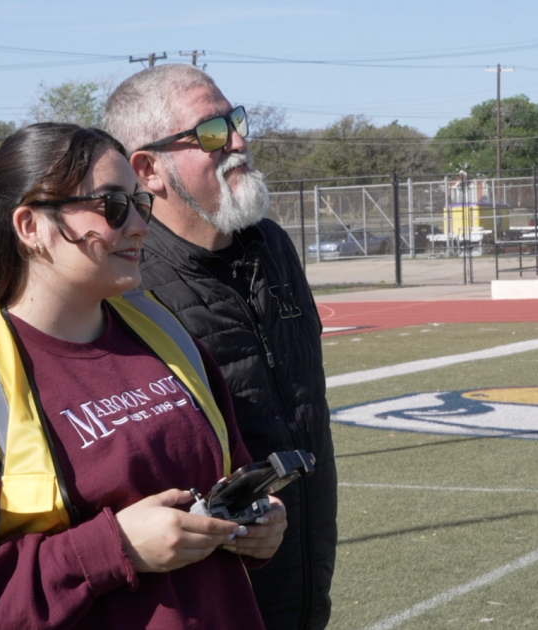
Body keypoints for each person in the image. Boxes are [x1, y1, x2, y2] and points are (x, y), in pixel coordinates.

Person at [0, 123, 287, 630]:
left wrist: (257, 522)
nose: (140, 226)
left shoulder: (166, 333)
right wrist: (113, 548)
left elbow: (232, 474)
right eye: (112, 207)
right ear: (30, 225)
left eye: (140, 205)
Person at [104, 66, 338, 630]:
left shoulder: (273, 246)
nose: (237, 141)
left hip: (302, 575)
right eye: (211, 131)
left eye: (235, 120)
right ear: (147, 169)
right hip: (205, 596)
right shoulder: (126, 285)